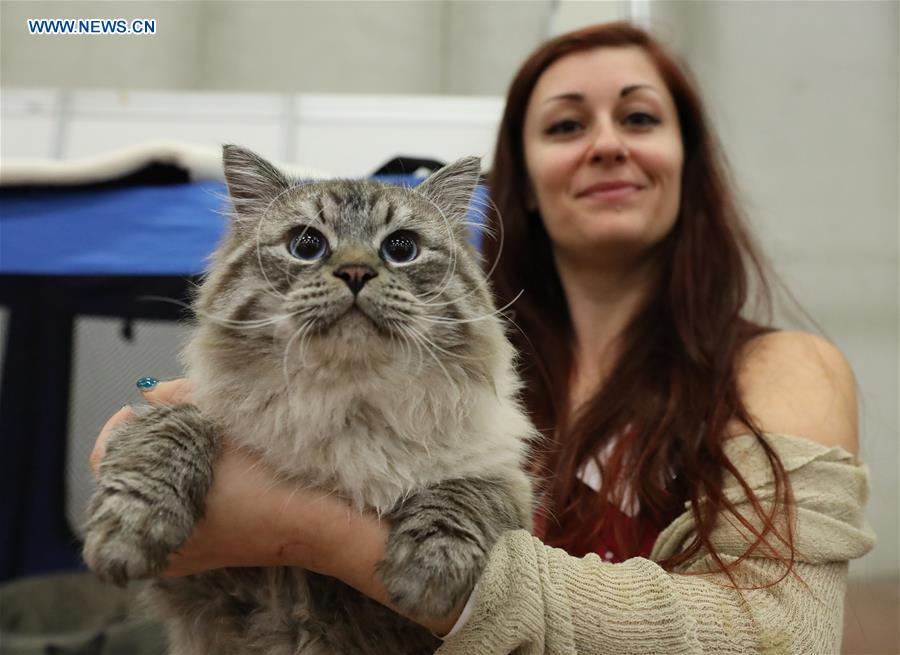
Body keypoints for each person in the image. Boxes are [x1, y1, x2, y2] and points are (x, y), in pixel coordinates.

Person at [92, 21, 873, 654]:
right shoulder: (479, 349)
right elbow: (162, 402)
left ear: (689, 162)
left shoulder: (781, 368)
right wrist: (156, 421)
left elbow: (782, 639)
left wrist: (308, 530)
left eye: (639, 117)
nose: (606, 142)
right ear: (521, 180)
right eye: (567, 123)